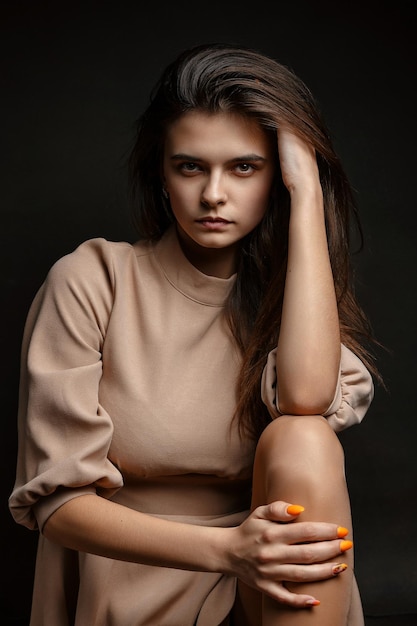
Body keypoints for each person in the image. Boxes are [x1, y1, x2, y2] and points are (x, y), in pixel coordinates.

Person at [9, 42, 380, 626]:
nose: (213, 194)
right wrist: (230, 552)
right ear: (161, 173)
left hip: (274, 570)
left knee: (303, 439)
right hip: (139, 573)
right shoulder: (93, 279)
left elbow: (307, 399)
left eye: (244, 167)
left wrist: (307, 196)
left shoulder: (292, 301)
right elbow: (59, 505)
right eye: (190, 166)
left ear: (275, 178)